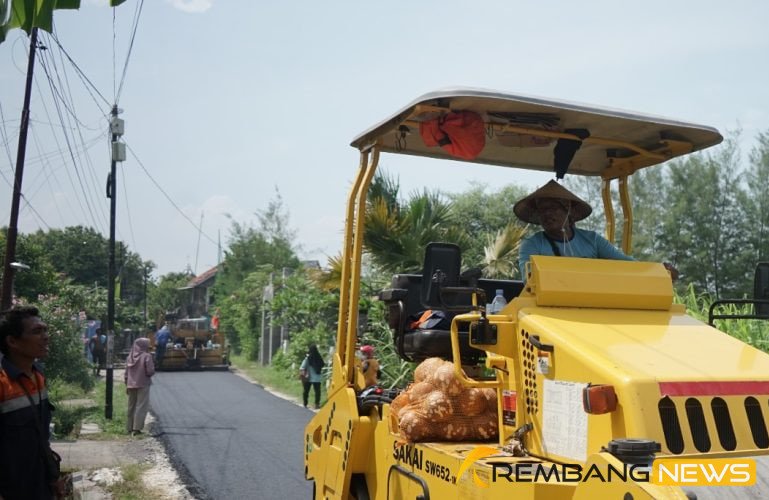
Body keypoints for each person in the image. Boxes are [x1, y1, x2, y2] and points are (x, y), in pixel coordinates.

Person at [0, 306, 66, 499]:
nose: (46, 336)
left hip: (40, 485)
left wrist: (53, 476)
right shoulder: (3, 384)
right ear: (12, 341)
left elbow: (40, 436)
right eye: (37, 332)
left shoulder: (38, 376)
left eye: (45, 330)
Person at [514, 180, 636, 277]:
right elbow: (530, 281)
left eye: (553, 208)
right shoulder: (531, 245)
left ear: (568, 211)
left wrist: (650, 269)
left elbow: (627, 264)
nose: (547, 214)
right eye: (542, 210)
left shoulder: (593, 240)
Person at [124, 337, 155, 436]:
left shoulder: (130, 357)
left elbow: (126, 373)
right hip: (143, 384)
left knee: (131, 406)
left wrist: (127, 382)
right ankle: (136, 429)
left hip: (130, 384)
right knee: (141, 406)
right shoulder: (147, 356)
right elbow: (150, 371)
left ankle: (129, 427)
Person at [300, 344, 324, 409]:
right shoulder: (319, 357)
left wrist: (303, 375)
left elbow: (302, 367)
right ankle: (317, 404)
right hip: (317, 378)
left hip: (308, 377)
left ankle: (305, 403)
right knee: (317, 392)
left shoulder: (308, 358)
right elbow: (322, 364)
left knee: (306, 391)